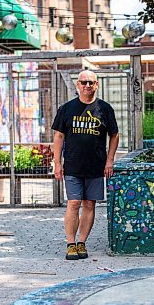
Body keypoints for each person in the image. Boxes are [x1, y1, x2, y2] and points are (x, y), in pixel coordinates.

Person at [52, 70, 119, 260]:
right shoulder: (67, 109)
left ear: (97, 84)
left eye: (91, 82)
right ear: (78, 85)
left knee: (89, 204)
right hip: (73, 165)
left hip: (96, 166)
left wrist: (110, 159)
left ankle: (82, 243)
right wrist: (57, 162)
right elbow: (58, 136)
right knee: (73, 203)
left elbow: (114, 135)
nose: (87, 86)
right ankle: (70, 244)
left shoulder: (105, 109)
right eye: (84, 82)